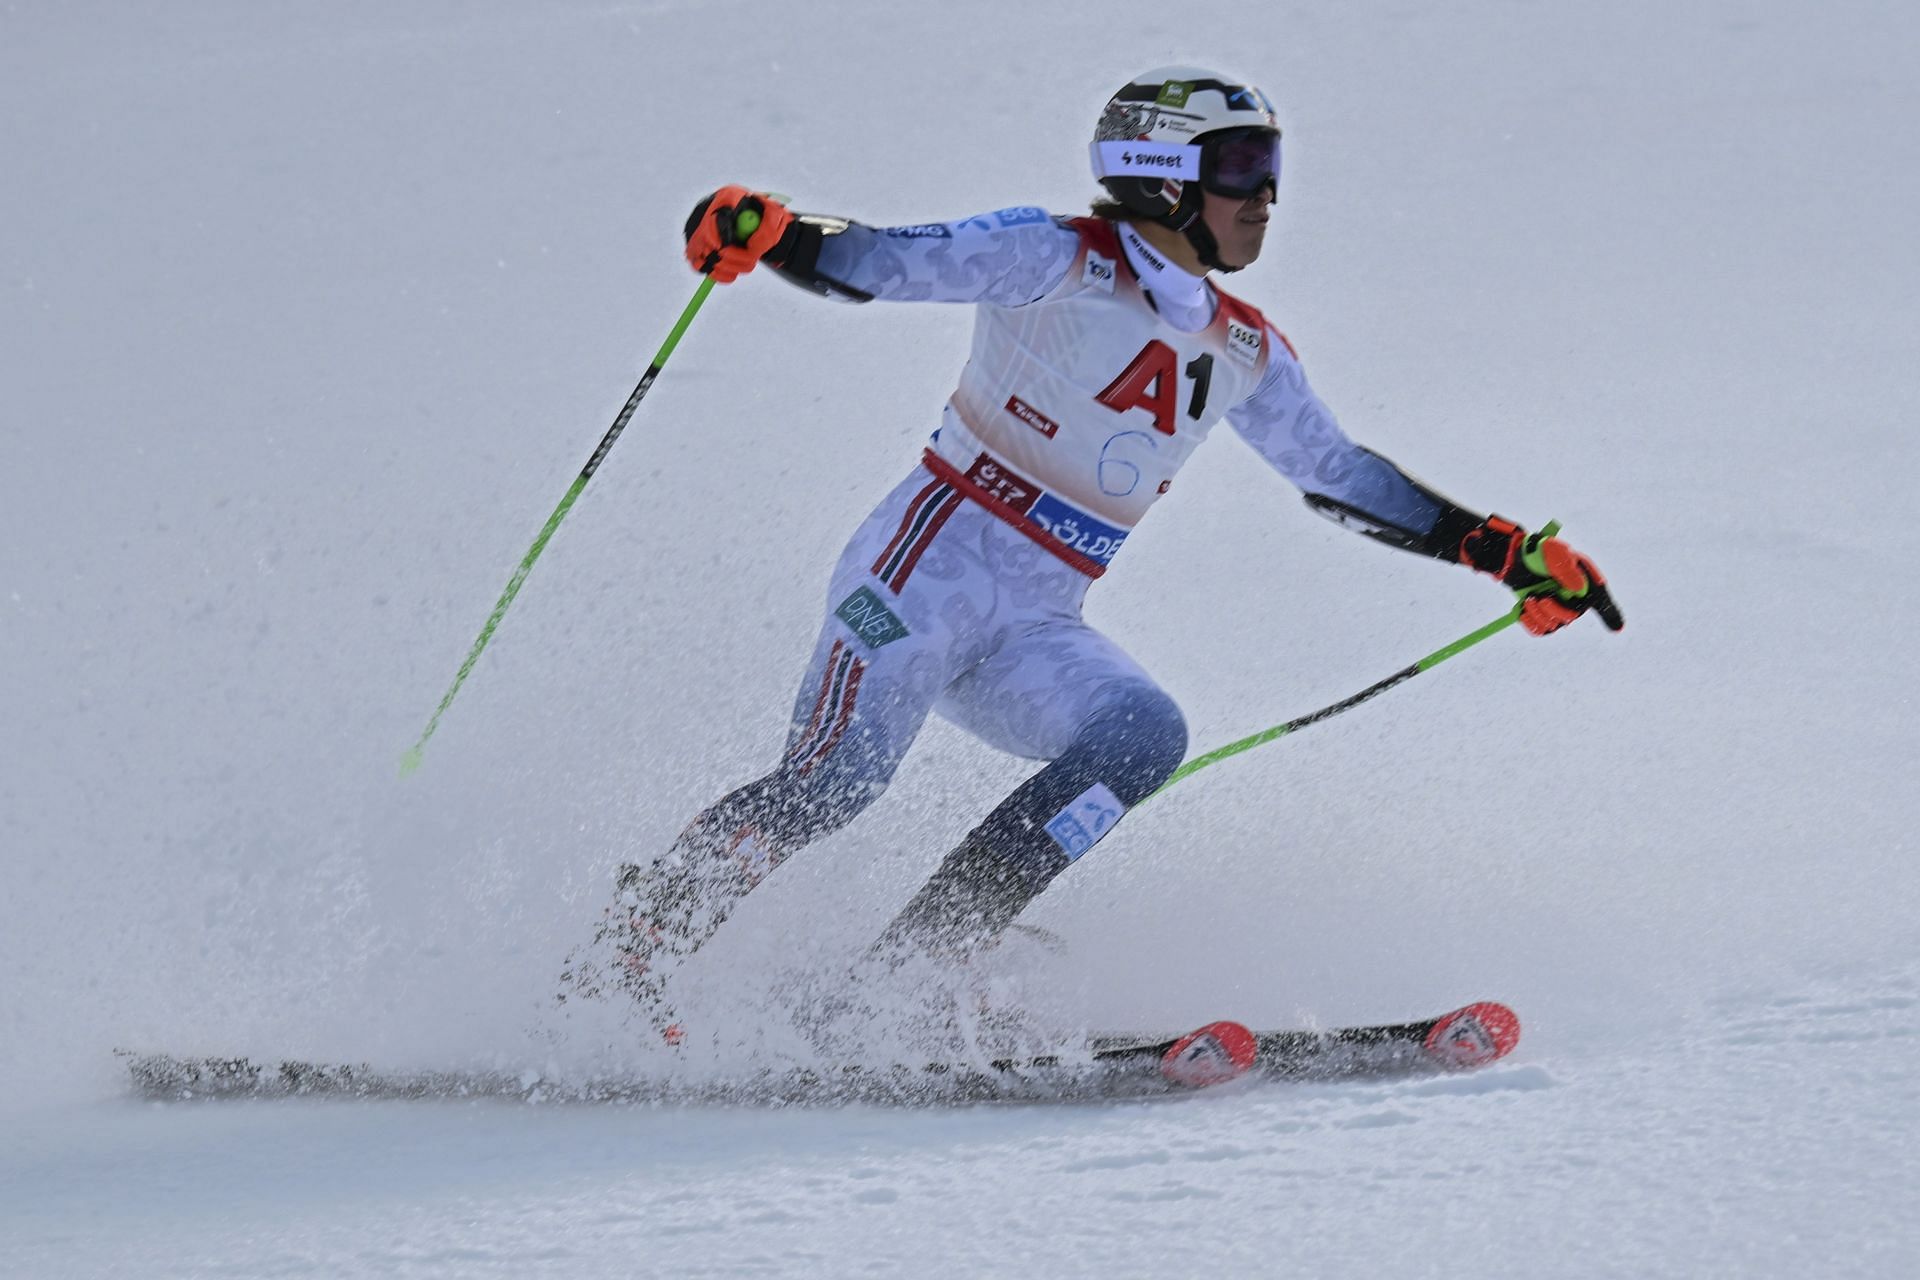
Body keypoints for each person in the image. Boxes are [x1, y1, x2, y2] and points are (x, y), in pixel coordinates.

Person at [561, 67, 1623, 1034]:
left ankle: (912, 970)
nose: (1265, 196)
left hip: (1033, 623)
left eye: (1272, 169)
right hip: (918, 574)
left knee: (1142, 733)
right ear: (1163, 177)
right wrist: (779, 233)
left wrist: (1497, 550)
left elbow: (1336, 472)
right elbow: (886, 262)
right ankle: (623, 958)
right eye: (1242, 168)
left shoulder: (1243, 344)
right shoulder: (1057, 256)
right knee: (836, 781)